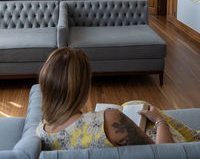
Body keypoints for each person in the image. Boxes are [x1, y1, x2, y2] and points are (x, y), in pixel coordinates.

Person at [36, 47, 175, 150]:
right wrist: (159, 120)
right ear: (82, 86)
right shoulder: (110, 120)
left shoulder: (40, 131)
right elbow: (165, 154)